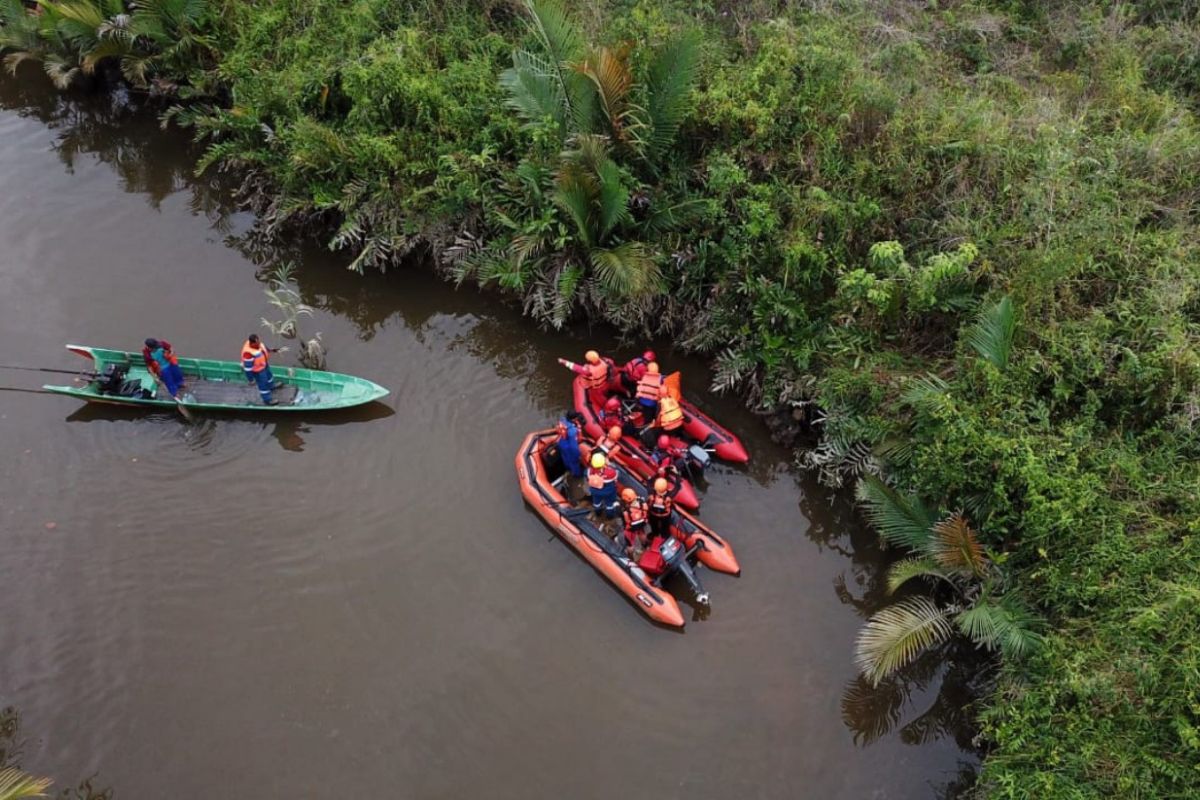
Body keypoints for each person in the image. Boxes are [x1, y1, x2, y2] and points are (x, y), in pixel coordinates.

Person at [241, 333, 280, 405]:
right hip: (258, 371)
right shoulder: (248, 353)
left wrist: (271, 350)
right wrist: (251, 379)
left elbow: (264, 348)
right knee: (263, 384)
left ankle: (272, 386)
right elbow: (248, 369)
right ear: (252, 343)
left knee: (269, 376)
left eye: (258, 341)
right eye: (257, 343)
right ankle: (267, 400)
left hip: (264, 364)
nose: (259, 343)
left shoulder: (259, 344)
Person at [586, 452, 620, 520]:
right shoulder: (611, 472)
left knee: (596, 503)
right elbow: (616, 474)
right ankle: (609, 516)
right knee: (609, 504)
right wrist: (609, 464)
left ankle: (598, 513)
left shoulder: (589, 471)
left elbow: (588, 478)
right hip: (609, 492)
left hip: (596, 492)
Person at [620, 487, 649, 555]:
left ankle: (630, 554)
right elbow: (646, 510)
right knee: (642, 533)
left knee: (628, 539)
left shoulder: (625, 509)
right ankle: (645, 545)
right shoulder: (641, 502)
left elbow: (625, 520)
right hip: (642, 522)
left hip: (632, 526)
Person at [555, 411, 585, 478]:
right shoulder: (572, 431)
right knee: (574, 462)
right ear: (573, 419)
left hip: (561, 442)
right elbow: (573, 446)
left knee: (565, 457)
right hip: (568, 446)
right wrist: (578, 454)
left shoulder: (562, 419)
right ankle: (577, 475)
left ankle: (568, 468)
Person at [647, 477, 674, 541]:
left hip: (653, 515)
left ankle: (655, 535)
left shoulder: (651, 494)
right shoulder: (669, 496)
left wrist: (657, 474)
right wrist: (676, 475)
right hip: (665, 517)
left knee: (654, 527)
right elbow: (678, 487)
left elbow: (649, 483)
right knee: (665, 529)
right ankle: (665, 537)